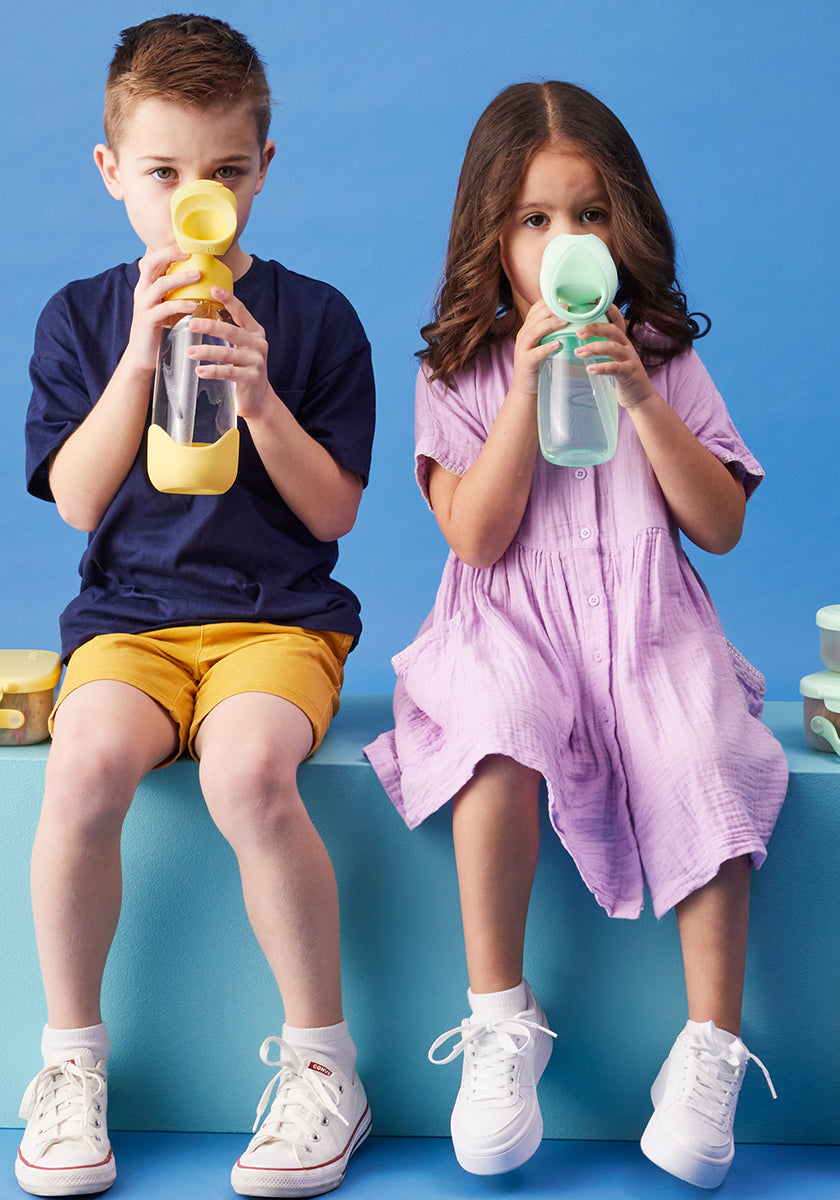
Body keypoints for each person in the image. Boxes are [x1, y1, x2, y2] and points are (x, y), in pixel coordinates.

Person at [365, 80, 787, 1189]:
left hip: (647, 621)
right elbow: (480, 534)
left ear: (626, 226)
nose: (566, 243)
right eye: (535, 220)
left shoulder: (665, 359)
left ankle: (708, 1052)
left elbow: (723, 525)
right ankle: (501, 1019)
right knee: (496, 736)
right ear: (491, 237)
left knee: (709, 752)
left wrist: (644, 398)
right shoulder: (455, 373)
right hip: (509, 621)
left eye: (590, 215)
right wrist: (524, 395)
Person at [18, 15, 374, 1198]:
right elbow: (75, 500)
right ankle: (70, 1059)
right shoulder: (77, 319)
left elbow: (333, 516)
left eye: (224, 172)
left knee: (246, 777)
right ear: (113, 171)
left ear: (264, 169)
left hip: (277, 621)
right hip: (128, 622)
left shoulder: (315, 320)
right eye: (164, 174)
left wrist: (262, 396)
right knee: (82, 770)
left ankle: (324, 1063)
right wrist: (138, 356)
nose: (192, 201)